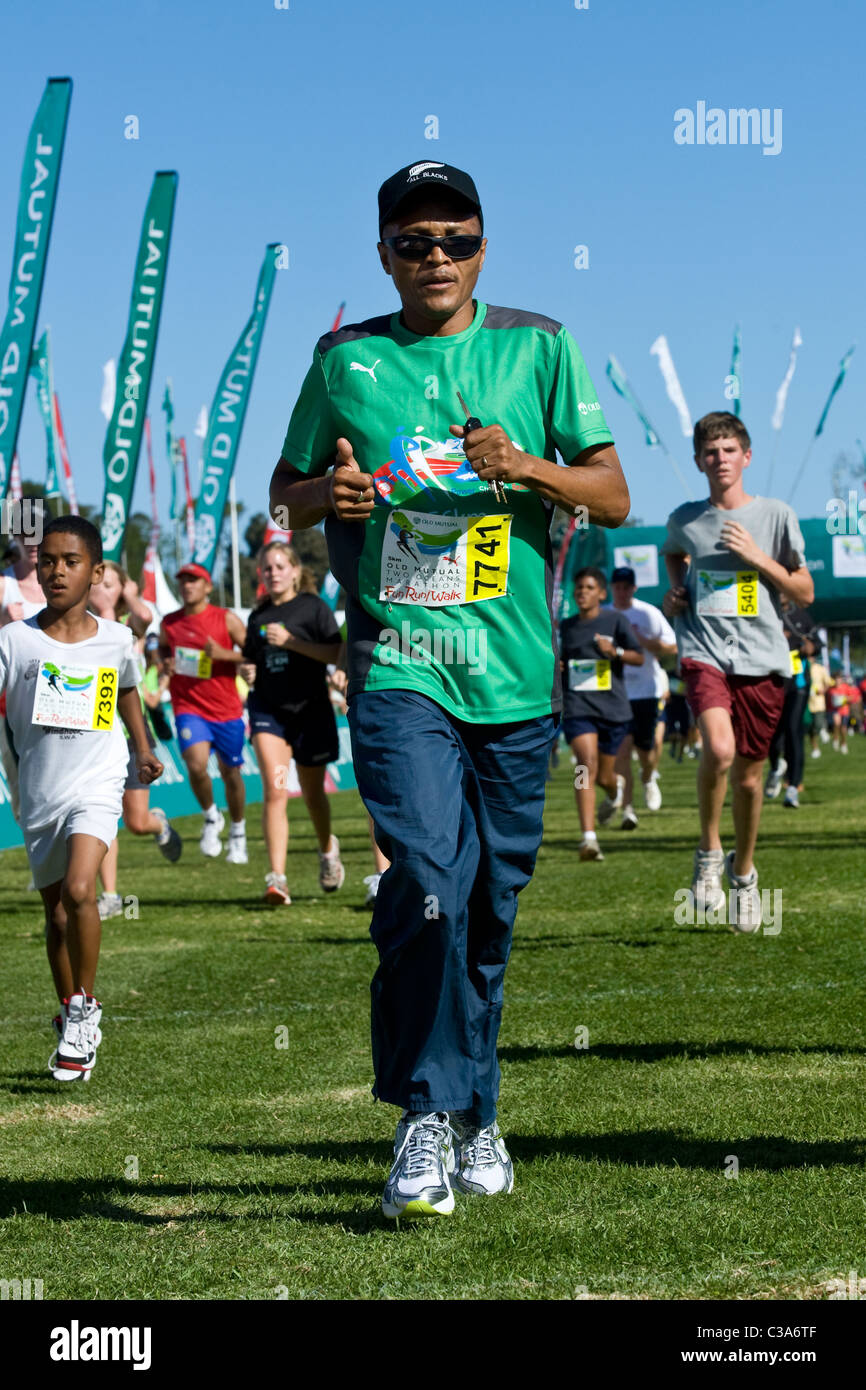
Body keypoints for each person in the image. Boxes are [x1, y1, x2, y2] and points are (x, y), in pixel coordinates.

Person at [269, 160, 629, 1218]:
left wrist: (526, 466)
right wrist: (318, 493)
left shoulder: (538, 344)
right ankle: (424, 1117)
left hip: (513, 675)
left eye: (456, 240)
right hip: (399, 666)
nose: (436, 259)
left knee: (485, 908)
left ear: (484, 246)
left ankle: (475, 1110)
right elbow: (284, 499)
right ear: (382, 252)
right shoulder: (345, 359)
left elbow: (609, 493)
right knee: (426, 874)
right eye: (414, 242)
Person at [0, 516, 162, 1080]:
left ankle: (81, 1010)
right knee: (56, 917)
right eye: (47, 560)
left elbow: (129, 692)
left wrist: (141, 748)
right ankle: (69, 1007)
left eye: (70, 562)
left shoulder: (117, 639)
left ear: (95, 573)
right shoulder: (16, 639)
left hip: (97, 782)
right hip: (38, 792)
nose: (56, 570)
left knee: (78, 889)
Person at [662, 411, 813, 932]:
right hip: (705, 651)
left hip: (764, 659)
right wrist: (677, 594)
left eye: (729, 450)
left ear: (746, 456)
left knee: (750, 779)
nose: (720, 459)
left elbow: (803, 590)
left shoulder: (776, 514)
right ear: (699, 460)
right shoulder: (684, 518)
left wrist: (757, 558)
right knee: (719, 750)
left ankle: (743, 874)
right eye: (710, 451)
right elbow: (674, 555)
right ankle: (708, 853)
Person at [240, 541, 345, 904]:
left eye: (281, 566)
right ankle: (277, 879)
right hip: (269, 713)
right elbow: (249, 660)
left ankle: (327, 848)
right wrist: (247, 670)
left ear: (296, 571)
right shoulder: (257, 617)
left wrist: (291, 642)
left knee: (314, 795)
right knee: (276, 788)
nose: (274, 573)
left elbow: (335, 653)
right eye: (267, 568)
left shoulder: (314, 609)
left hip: (310, 712)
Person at [88, 565, 182, 919]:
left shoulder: (129, 624)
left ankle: (159, 823)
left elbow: (144, 614)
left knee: (136, 822)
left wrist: (122, 594)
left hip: (132, 733)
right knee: (103, 816)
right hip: (94, 733)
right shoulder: (80, 622)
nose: (100, 590)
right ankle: (110, 896)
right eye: (96, 583)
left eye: (108, 584)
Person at [160, 563, 248, 861]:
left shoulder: (226, 619)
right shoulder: (169, 623)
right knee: (196, 764)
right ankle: (212, 817)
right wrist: (165, 663)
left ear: (208, 587)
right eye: (183, 580)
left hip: (226, 710)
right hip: (188, 706)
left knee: (231, 773)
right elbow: (160, 650)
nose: (187, 585)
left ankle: (238, 831)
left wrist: (225, 655)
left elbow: (254, 651)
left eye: (194, 580)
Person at [559, 567, 643, 859]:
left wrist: (615, 652)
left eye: (589, 587)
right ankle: (588, 839)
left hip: (612, 709)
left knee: (605, 776)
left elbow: (639, 657)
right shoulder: (566, 627)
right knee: (585, 764)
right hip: (578, 708)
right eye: (579, 587)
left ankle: (614, 790)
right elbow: (561, 662)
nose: (582, 591)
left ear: (602, 593)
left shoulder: (615, 620)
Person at [608, 565, 677, 827]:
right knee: (622, 751)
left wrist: (643, 641)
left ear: (634, 588)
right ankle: (628, 810)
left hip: (646, 691)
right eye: (618, 587)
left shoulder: (648, 613)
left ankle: (648, 778)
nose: (622, 592)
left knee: (648, 751)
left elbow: (672, 647)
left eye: (627, 587)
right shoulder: (604, 614)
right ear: (612, 588)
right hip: (615, 693)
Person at [764, 602, 819, 808]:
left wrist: (804, 645)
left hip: (798, 683)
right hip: (771, 682)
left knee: (793, 730)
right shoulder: (764, 611)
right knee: (771, 733)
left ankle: (793, 786)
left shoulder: (801, 616)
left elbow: (816, 645)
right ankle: (775, 767)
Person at [806, 650, 833, 758]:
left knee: (817, 724)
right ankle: (815, 748)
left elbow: (829, 682)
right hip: (807, 702)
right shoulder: (804, 668)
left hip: (818, 702)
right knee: (810, 728)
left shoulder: (820, 669)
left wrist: (823, 690)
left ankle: (822, 729)